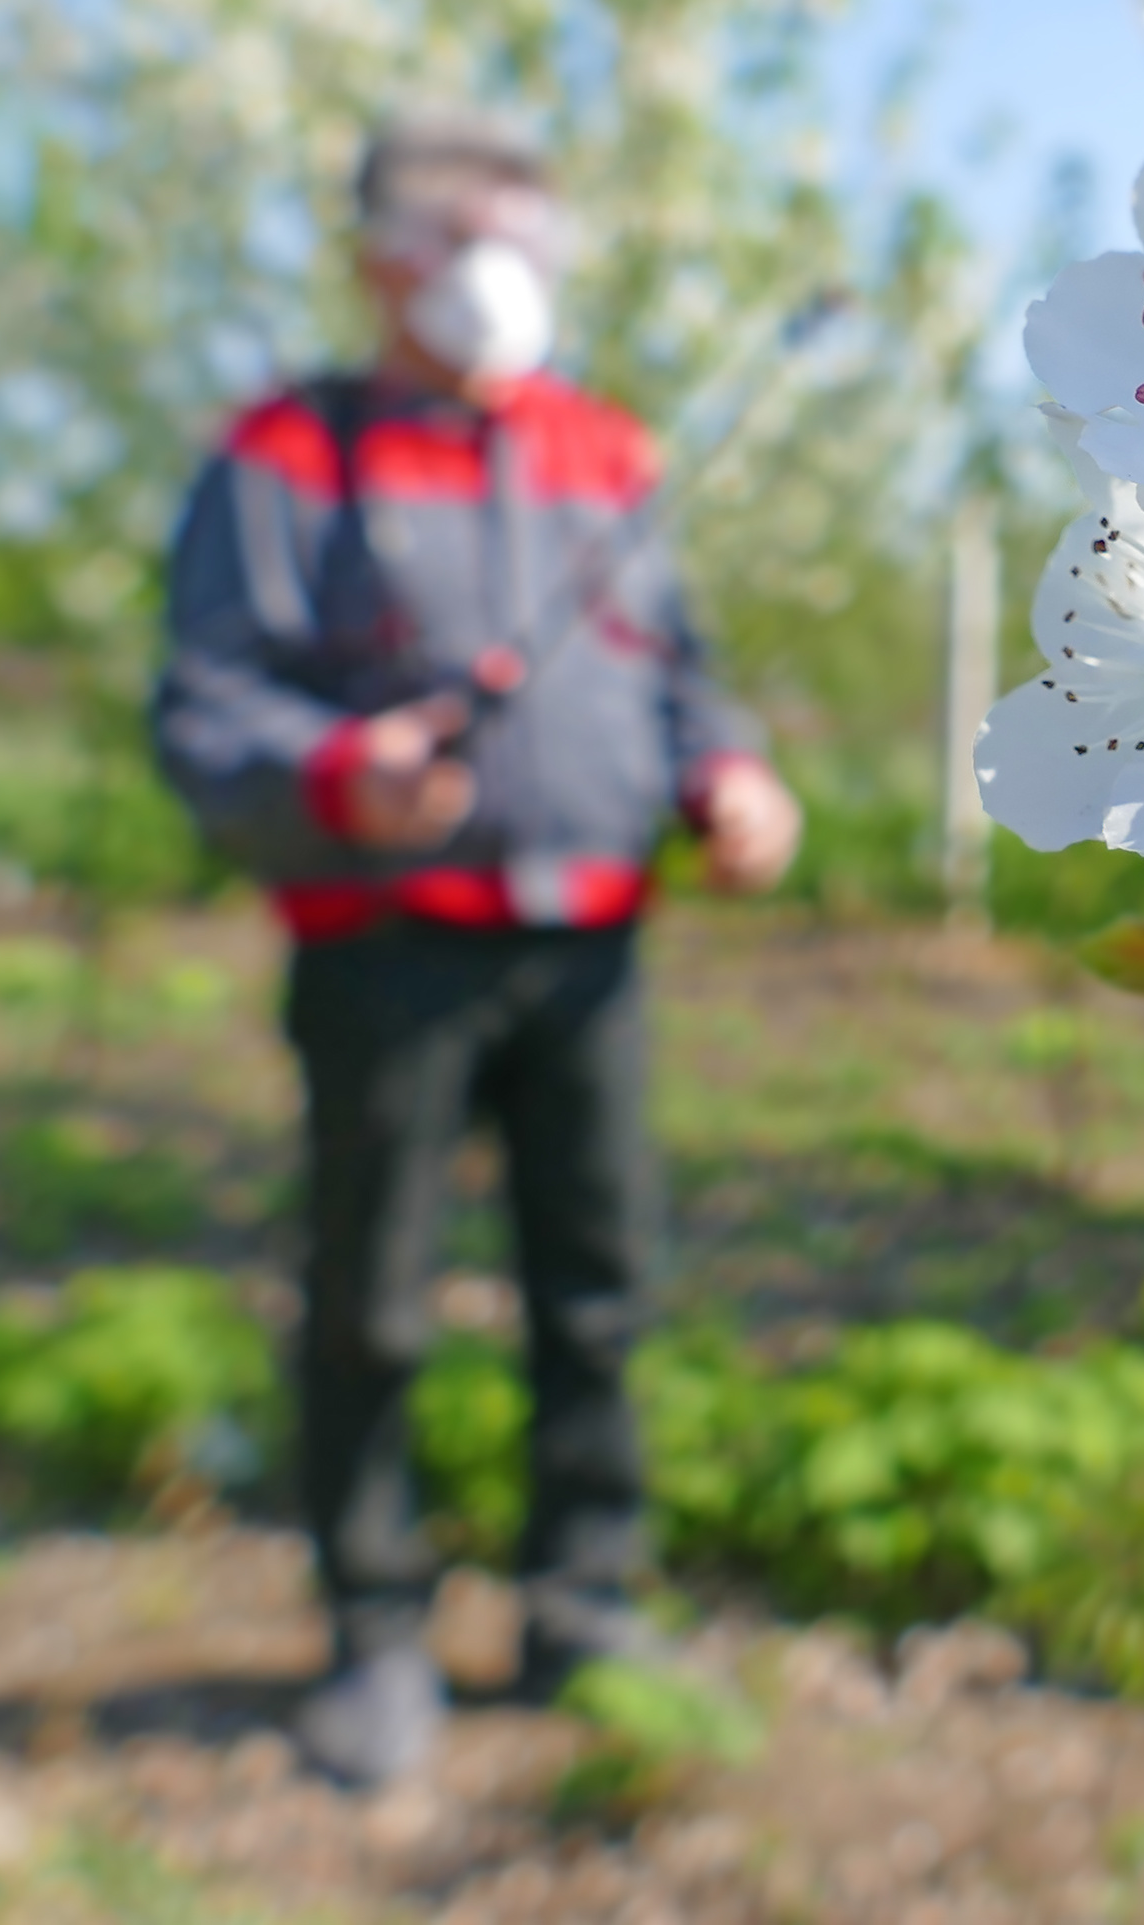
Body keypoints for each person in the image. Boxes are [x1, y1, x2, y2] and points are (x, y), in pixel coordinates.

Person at [150, 107, 800, 1788]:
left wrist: (724, 769)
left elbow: (684, 669)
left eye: (529, 235)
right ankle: (373, 1630)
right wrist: (333, 771)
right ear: (381, 259)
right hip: (388, 952)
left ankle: (585, 1600)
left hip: (590, 947)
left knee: (599, 1288)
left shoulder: (607, 448)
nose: (506, 273)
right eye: (464, 237)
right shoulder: (288, 452)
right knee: (370, 1300)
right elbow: (211, 696)